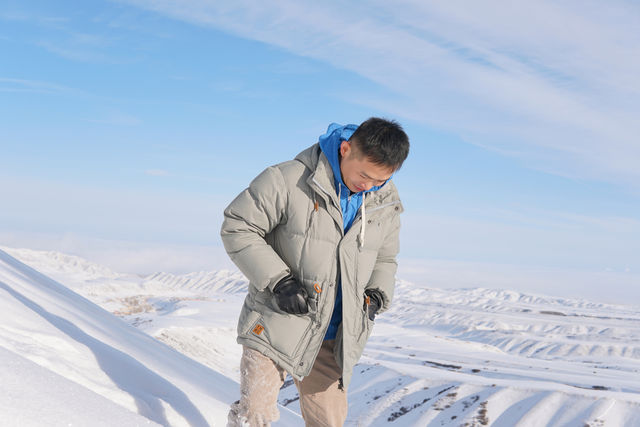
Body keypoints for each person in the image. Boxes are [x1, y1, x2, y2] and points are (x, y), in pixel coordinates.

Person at [222, 117, 409, 426]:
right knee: (254, 414)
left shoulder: (384, 202)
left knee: (329, 422)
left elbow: (385, 258)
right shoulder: (287, 179)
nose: (369, 186)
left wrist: (376, 293)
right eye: (364, 175)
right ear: (346, 149)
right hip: (276, 319)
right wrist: (279, 281)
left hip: (334, 335)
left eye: (380, 180)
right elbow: (238, 227)